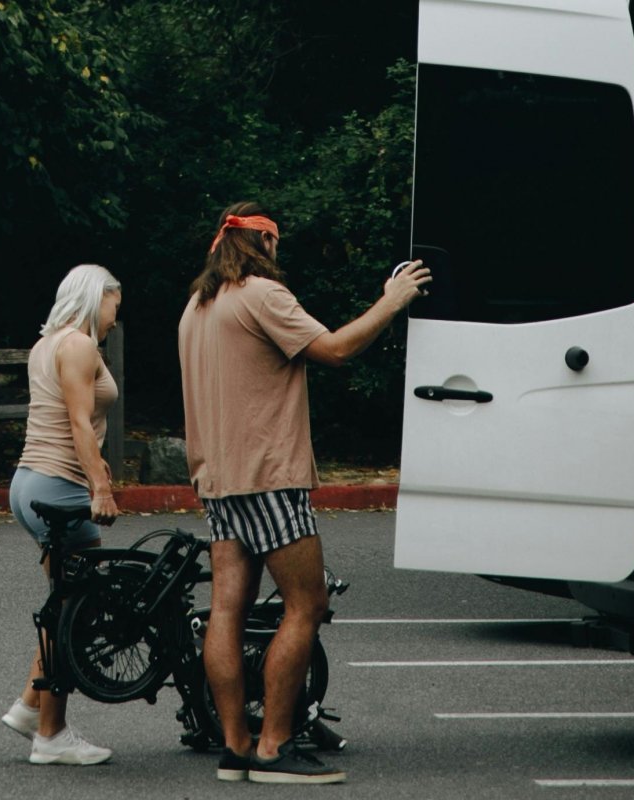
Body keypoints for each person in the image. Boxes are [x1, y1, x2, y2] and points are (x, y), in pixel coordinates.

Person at [177, 202, 430, 784]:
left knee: (225, 611)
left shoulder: (197, 306)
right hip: (269, 477)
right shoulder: (261, 294)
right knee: (306, 604)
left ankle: (237, 745)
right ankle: (274, 748)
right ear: (263, 245)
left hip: (218, 479)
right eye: (275, 245)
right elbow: (336, 349)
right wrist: (392, 301)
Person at [0, 263, 123, 766]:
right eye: (116, 303)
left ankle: (33, 706)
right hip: (59, 486)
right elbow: (77, 419)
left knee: (65, 604)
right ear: (97, 298)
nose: (118, 315)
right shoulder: (78, 346)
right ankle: (50, 734)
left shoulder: (46, 344)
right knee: (82, 609)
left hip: (29, 483)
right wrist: (102, 486)